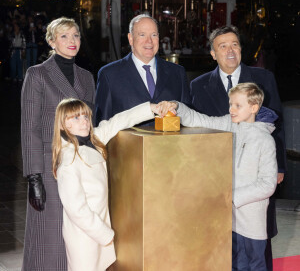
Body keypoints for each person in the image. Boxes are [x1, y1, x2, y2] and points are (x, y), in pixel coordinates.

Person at [190, 26, 286, 270]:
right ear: (213, 53)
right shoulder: (198, 85)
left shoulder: (264, 78)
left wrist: (280, 167)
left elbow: (278, 124)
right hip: (217, 176)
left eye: (235, 44)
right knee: (224, 242)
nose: (230, 50)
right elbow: (198, 129)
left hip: (256, 172)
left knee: (257, 242)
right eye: (223, 46)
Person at [157, 82, 278, 271]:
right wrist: (177, 106)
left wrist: (232, 196)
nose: (231, 109)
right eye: (230, 104)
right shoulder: (228, 124)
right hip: (228, 219)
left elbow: (268, 184)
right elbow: (200, 120)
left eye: (238, 105)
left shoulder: (265, 140)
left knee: (256, 266)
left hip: (252, 222)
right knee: (235, 265)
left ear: (254, 108)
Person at [21, 17, 95, 270]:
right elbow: (29, 127)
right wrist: (34, 177)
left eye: (75, 35)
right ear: (52, 41)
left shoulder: (86, 77)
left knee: (75, 233)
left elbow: (91, 125)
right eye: (63, 36)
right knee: (47, 237)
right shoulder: (37, 74)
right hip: (49, 165)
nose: (72, 41)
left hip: (80, 164)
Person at [52, 98, 158, 271]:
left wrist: (150, 108)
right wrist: (104, 234)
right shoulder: (68, 161)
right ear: (63, 125)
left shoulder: (93, 140)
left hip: (99, 228)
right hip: (85, 234)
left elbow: (118, 121)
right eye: (76, 118)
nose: (84, 121)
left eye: (85, 116)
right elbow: (76, 209)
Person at [95, 14, 191, 125]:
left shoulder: (177, 73)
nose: (149, 41)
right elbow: (102, 124)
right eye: (142, 35)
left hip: (172, 141)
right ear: (130, 39)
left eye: (154, 35)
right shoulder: (109, 75)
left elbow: (189, 116)